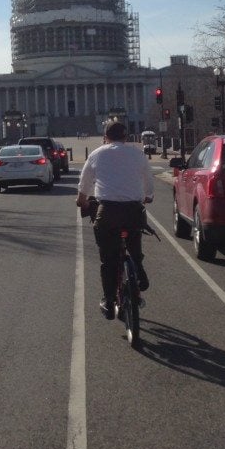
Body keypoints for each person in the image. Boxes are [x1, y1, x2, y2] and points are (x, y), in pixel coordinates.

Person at [76, 119, 155, 320]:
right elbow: (148, 179)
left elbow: (84, 183)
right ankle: (139, 268)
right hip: (133, 210)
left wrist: (82, 201)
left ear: (105, 138)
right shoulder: (137, 153)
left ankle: (109, 300)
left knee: (108, 259)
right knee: (134, 241)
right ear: (126, 137)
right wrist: (149, 196)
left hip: (108, 211)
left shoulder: (96, 154)